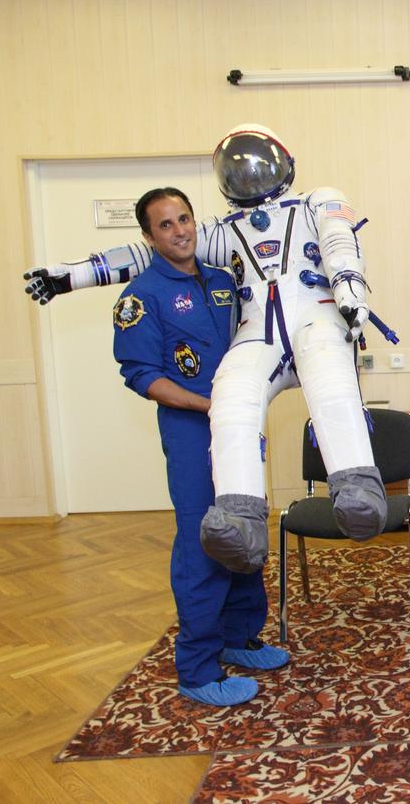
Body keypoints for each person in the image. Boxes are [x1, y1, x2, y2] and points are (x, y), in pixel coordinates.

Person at [24, 125, 387, 575]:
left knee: (332, 383)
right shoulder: (224, 231)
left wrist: (350, 288)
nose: (250, 174)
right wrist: (70, 275)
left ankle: (356, 492)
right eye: (238, 168)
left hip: (318, 316)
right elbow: (146, 256)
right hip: (259, 329)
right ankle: (240, 516)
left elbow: (338, 239)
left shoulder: (317, 200)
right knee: (231, 398)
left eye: (258, 162)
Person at [113, 187, 285, 706]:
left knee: (244, 524)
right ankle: (197, 668)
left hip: (239, 427)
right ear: (149, 236)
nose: (180, 231)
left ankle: (239, 637)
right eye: (165, 225)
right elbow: (142, 375)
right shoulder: (141, 296)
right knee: (203, 544)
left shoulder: (223, 282)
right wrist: (206, 405)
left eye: (184, 218)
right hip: (192, 430)